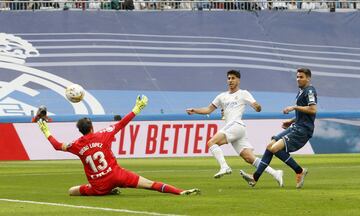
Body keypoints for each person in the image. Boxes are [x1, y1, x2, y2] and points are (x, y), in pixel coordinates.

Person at [37, 95, 200, 196]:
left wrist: (45, 131)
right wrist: (137, 108)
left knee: (71, 191)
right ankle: (180, 191)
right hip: (117, 175)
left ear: (80, 131)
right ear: (92, 127)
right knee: (150, 184)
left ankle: (108, 190)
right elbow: (122, 123)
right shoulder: (104, 134)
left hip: (98, 186)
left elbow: (57, 145)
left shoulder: (76, 145)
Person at [186, 70, 283, 186]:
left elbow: (256, 106)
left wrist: (257, 107)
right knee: (248, 157)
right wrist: (194, 110)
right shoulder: (222, 96)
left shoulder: (243, 93)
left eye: (233, 78)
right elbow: (208, 109)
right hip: (235, 129)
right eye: (229, 78)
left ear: (238, 80)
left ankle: (224, 167)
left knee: (211, 142)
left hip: (236, 124)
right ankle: (275, 173)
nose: (230, 80)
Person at [240, 68, 317, 189]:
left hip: (303, 130)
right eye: (297, 77)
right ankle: (255, 177)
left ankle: (299, 171)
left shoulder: (310, 91)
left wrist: (294, 107)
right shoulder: (301, 91)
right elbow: (304, 114)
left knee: (275, 148)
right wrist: (291, 120)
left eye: (301, 77)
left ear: (308, 78)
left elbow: (312, 109)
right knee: (270, 146)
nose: (298, 79)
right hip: (296, 126)